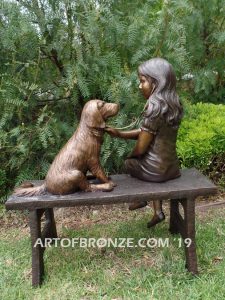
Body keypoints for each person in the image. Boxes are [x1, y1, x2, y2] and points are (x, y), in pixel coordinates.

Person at [105, 57, 183, 228]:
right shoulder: (174, 104)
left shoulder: (153, 106)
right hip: (172, 168)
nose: (140, 86)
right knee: (150, 166)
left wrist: (131, 155)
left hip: (156, 171)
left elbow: (141, 148)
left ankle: (141, 200)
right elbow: (147, 132)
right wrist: (120, 133)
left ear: (156, 82)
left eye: (142, 81)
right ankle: (157, 211)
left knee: (130, 163)